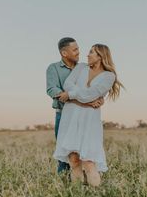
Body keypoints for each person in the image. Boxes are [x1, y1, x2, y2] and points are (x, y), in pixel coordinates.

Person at [53, 44, 122, 186]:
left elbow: (91, 94)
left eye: (91, 52)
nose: (87, 55)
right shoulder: (80, 68)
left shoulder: (109, 76)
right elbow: (68, 84)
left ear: (100, 56)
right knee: (73, 159)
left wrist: (71, 95)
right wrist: (84, 100)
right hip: (70, 116)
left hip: (89, 119)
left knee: (89, 161)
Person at [46, 37, 104, 174]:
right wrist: (81, 100)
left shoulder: (85, 67)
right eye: (75, 50)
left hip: (85, 115)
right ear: (64, 53)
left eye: (78, 48)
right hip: (64, 114)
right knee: (65, 153)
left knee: (86, 152)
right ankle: (64, 186)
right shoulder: (53, 68)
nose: (79, 52)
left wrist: (100, 98)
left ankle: (87, 182)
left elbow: (94, 86)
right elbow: (52, 90)